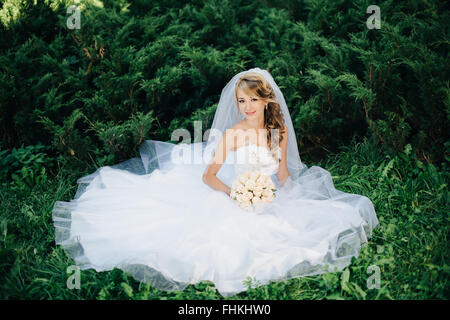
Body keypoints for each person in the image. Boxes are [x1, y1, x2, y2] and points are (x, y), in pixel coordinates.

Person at [52, 67, 379, 297]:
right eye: (241, 101)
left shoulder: (279, 130)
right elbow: (209, 176)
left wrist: (282, 198)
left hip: (263, 195)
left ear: (267, 100)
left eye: (253, 100)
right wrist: (236, 192)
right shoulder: (234, 134)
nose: (247, 107)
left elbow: (282, 175)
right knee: (220, 240)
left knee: (295, 229)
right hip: (227, 190)